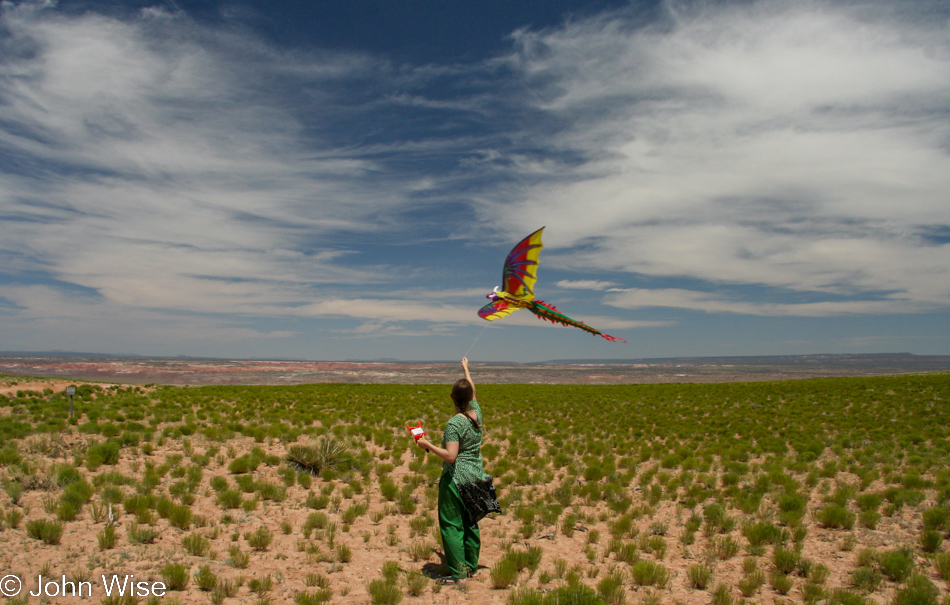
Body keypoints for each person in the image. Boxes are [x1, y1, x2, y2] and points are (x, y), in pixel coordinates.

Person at [415, 357, 486, 583]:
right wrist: (466, 369)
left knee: (451, 524)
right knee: (470, 521)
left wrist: (426, 444)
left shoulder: (454, 423)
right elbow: (473, 393)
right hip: (476, 476)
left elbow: (450, 456)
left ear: (452, 398)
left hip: (455, 479)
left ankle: (458, 573)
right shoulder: (476, 413)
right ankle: (471, 566)